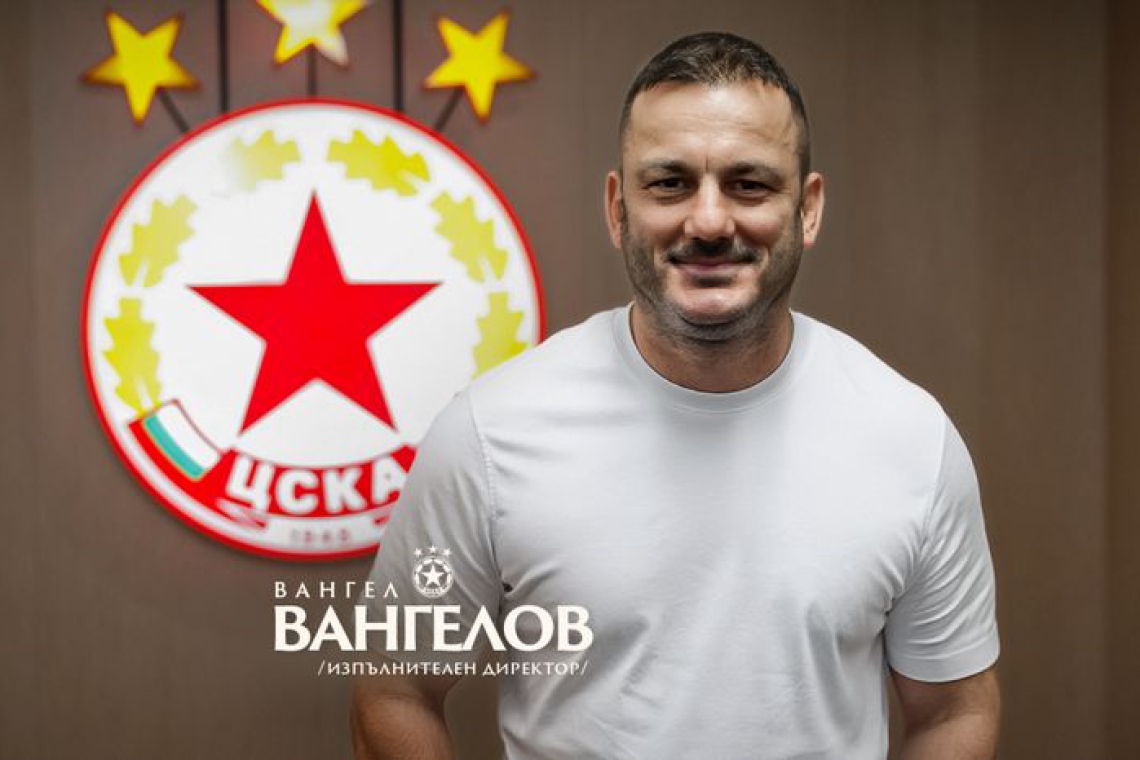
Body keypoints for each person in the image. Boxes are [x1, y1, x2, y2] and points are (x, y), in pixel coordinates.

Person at [351, 31, 1000, 760]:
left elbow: (953, 713)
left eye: (750, 184)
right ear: (617, 208)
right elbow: (394, 690)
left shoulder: (911, 440)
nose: (710, 221)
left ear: (809, 208)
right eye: (669, 183)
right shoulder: (489, 434)